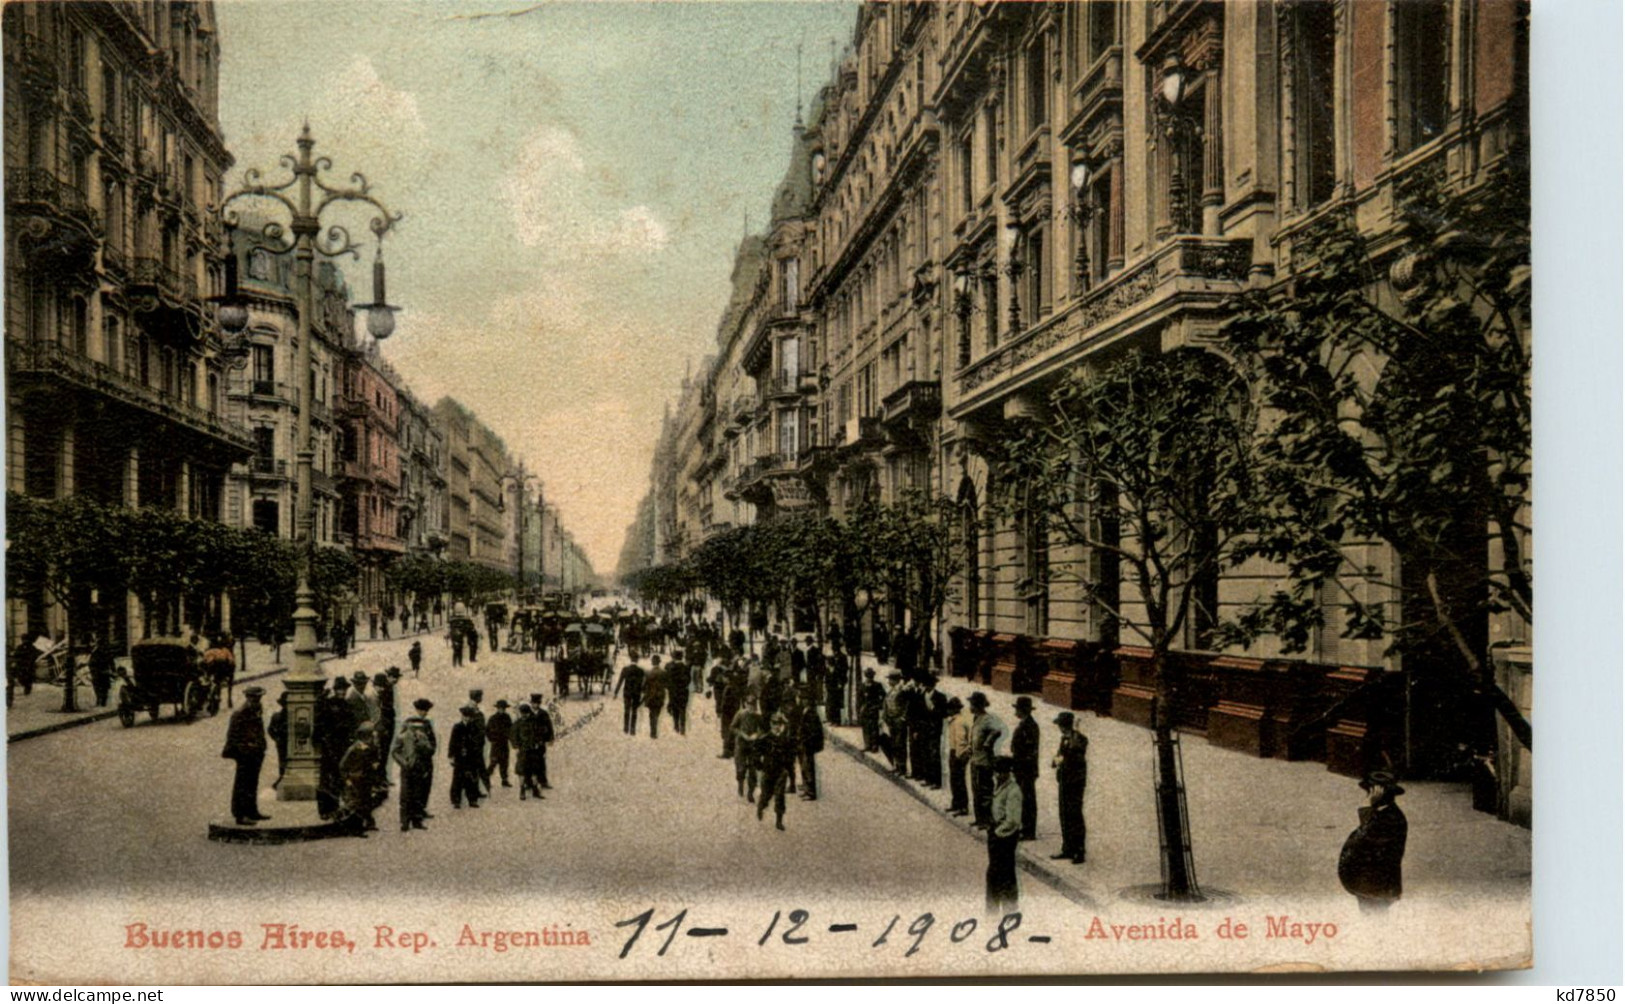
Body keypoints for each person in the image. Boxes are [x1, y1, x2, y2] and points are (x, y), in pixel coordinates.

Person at [1338, 771, 1409, 913]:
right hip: (1370, 883)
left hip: (1376, 885)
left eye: (1369, 792)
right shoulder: (1382, 813)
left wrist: (1366, 808)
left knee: (1375, 920)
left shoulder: (1390, 818)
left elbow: (1367, 835)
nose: (1367, 795)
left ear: (1377, 793)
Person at [221, 686, 270, 826]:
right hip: (245, 753)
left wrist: (261, 747)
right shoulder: (240, 713)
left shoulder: (256, 710)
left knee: (252, 783)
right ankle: (240, 814)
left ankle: (252, 810)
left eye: (259, 697)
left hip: (256, 752)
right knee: (242, 784)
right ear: (249, 698)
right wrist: (244, 750)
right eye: (255, 697)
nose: (258, 700)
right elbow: (233, 736)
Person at [392, 698, 437, 831]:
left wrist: (426, 748)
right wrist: (403, 763)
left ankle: (417, 820)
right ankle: (404, 822)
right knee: (405, 794)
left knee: (419, 792)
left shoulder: (427, 725)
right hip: (408, 766)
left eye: (426, 710)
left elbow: (432, 746)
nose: (424, 713)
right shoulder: (406, 730)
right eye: (422, 710)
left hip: (422, 764)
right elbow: (395, 750)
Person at [1051, 711, 1089, 863]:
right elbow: (1060, 755)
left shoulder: (1079, 739)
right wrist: (1055, 760)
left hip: (1075, 782)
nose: (1059, 728)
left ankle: (1079, 851)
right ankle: (1067, 848)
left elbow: (1076, 751)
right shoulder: (1065, 738)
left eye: (1060, 725)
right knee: (1064, 814)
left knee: (1075, 815)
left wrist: (1073, 735)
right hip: (1064, 780)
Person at [987, 756, 1023, 913]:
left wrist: (998, 832)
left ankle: (1009, 912)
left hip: (1005, 837)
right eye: (995, 772)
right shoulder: (1000, 786)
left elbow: (1013, 821)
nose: (996, 775)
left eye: (999, 772)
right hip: (997, 834)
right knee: (994, 875)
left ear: (1007, 773)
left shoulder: (1013, 791)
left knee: (1005, 876)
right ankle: (993, 912)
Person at [317, 678, 357, 819]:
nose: (343, 692)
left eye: (345, 689)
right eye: (340, 689)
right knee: (326, 779)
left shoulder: (346, 705)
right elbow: (320, 726)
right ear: (335, 690)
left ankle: (335, 808)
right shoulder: (328, 704)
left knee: (339, 779)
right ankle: (324, 810)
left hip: (342, 747)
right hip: (329, 747)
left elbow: (352, 725)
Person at [339, 721, 384, 835]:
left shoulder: (370, 749)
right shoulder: (354, 749)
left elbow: (373, 763)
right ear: (366, 736)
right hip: (355, 780)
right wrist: (347, 779)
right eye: (372, 736)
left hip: (365, 780)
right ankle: (355, 828)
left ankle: (369, 823)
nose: (374, 738)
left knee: (366, 802)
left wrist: (375, 764)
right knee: (356, 804)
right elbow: (342, 766)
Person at [969, 692, 1004, 829]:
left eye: (972, 704)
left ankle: (987, 820)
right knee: (976, 791)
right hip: (975, 760)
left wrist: (988, 742)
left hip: (984, 761)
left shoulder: (987, 719)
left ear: (977, 705)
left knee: (985, 792)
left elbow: (997, 730)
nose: (970, 707)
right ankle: (979, 818)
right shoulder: (977, 718)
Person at [755, 712, 796, 831]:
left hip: (781, 772)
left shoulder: (785, 740)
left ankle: (779, 820)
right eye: (774, 724)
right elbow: (756, 753)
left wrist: (789, 771)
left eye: (778, 724)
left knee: (780, 796)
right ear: (770, 724)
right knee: (766, 795)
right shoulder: (765, 739)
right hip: (768, 771)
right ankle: (761, 806)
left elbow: (790, 756)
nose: (776, 726)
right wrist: (760, 765)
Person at [1010, 695, 1040, 841]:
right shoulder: (1024, 724)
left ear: (1023, 710)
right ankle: (1025, 827)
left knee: (1028, 800)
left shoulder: (1030, 726)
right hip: (1021, 768)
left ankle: (1029, 831)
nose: (1016, 711)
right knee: (1023, 799)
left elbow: (1029, 751)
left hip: (1026, 769)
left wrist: (1019, 764)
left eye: (1017, 709)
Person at [448, 704, 485, 809]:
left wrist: (477, 754)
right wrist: (451, 756)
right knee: (458, 778)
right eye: (465, 716)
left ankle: (472, 799)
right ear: (462, 716)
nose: (466, 718)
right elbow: (452, 742)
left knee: (472, 778)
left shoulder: (474, 727)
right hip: (460, 756)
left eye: (468, 716)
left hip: (471, 756)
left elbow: (477, 742)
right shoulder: (457, 727)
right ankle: (456, 800)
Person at [730, 699, 766, 801]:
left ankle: (750, 792)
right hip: (741, 744)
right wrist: (742, 734)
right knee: (740, 768)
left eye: (753, 706)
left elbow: (764, 729)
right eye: (749, 705)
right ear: (745, 704)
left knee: (752, 769)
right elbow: (732, 727)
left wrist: (757, 735)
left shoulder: (758, 716)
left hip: (752, 745)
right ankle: (740, 785)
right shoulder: (740, 714)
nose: (751, 708)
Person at [512, 704, 545, 801]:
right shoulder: (517, 724)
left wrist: (539, 742)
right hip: (523, 751)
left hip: (533, 750)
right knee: (521, 771)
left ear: (528, 713)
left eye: (525, 714)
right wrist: (516, 746)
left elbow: (540, 733)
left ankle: (535, 790)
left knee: (535, 771)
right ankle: (522, 791)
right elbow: (513, 736)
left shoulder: (534, 722)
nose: (524, 715)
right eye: (522, 714)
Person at [944, 697, 971, 816]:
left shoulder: (958, 721)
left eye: (949, 708)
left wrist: (959, 756)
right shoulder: (955, 720)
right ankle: (956, 804)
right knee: (954, 780)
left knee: (958, 780)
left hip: (957, 753)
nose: (947, 711)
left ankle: (962, 806)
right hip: (954, 752)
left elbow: (961, 740)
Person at [796, 688, 824, 800]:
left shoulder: (811, 713)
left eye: (804, 699)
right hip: (804, 743)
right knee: (804, 766)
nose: (801, 700)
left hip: (808, 744)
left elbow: (812, 731)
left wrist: (805, 741)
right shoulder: (806, 711)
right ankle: (806, 787)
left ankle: (811, 792)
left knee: (808, 767)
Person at [615, 657, 646, 736]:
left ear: (630, 659)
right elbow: (643, 683)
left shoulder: (625, 669)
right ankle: (632, 729)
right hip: (636, 693)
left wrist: (616, 692)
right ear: (637, 660)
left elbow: (620, 681)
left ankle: (626, 728)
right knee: (634, 711)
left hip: (627, 692)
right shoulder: (641, 671)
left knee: (627, 709)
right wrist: (642, 691)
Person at [486, 700, 513, 788]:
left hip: (504, 744)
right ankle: (486, 779)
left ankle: (504, 780)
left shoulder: (507, 717)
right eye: (500, 708)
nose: (502, 710)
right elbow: (487, 731)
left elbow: (511, 729)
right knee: (493, 763)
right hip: (496, 744)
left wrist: (510, 738)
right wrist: (492, 739)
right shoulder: (492, 718)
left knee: (504, 762)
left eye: (503, 708)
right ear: (497, 708)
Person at [858, 668, 886, 753]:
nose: (869, 678)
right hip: (865, 708)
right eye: (868, 676)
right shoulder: (862, 686)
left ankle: (874, 745)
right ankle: (867, 745)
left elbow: (883, 696)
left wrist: (878, 705)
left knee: (874, 727)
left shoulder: (877, 685)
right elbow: (860, 699)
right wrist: (860, 708)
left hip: (874, 708)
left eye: (871, 677)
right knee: (866, 727)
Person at [268, 693, 290, 789]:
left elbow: (270, 730)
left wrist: (276, 738)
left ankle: (282, 776)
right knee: (283, 760)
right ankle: (282, 776)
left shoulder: (277, 716)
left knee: (282, 760)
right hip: (283, 742)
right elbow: (271, 730)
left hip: (282, 742)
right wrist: (277, 738)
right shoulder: (278, 717)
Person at [667, 649, 691, 735]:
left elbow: (669, 681)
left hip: (674, 691)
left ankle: (676, 726)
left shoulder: (671, 668)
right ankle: (682, 727)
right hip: (683, 691)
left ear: (674, 657)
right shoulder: (686, 667)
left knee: (675, 709)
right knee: (682, 709)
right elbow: (688, 680)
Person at [643, 655, 668, 739]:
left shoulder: (648, 673)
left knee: (651, 713)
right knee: (657, 713)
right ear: (659, 662)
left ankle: (652, 731)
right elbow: (667, 685)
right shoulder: (664, 673)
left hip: (650, 695)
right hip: (660, 695)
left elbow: (644, 685)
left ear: (653, 662)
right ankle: (654, 729)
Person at [88, 637, 115, 708]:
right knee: (102, 687)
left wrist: (113, 670)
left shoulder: (97, 652)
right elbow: (111, 662)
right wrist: (113, 670)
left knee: (101, 687)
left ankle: (101, 701)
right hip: (101, 672)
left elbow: (91, 662)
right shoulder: (101, 652)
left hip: (100, 672)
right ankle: (102, 701)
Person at [825, 645, 847, 726]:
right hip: (830, 689)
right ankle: (831, 720)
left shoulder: (837, 669)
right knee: (831, 705)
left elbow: (840, 679)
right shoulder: (827, 671)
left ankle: (837, 721)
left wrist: (840, 684)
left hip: (836, 690)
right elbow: (826, 680)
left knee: (836, 706)